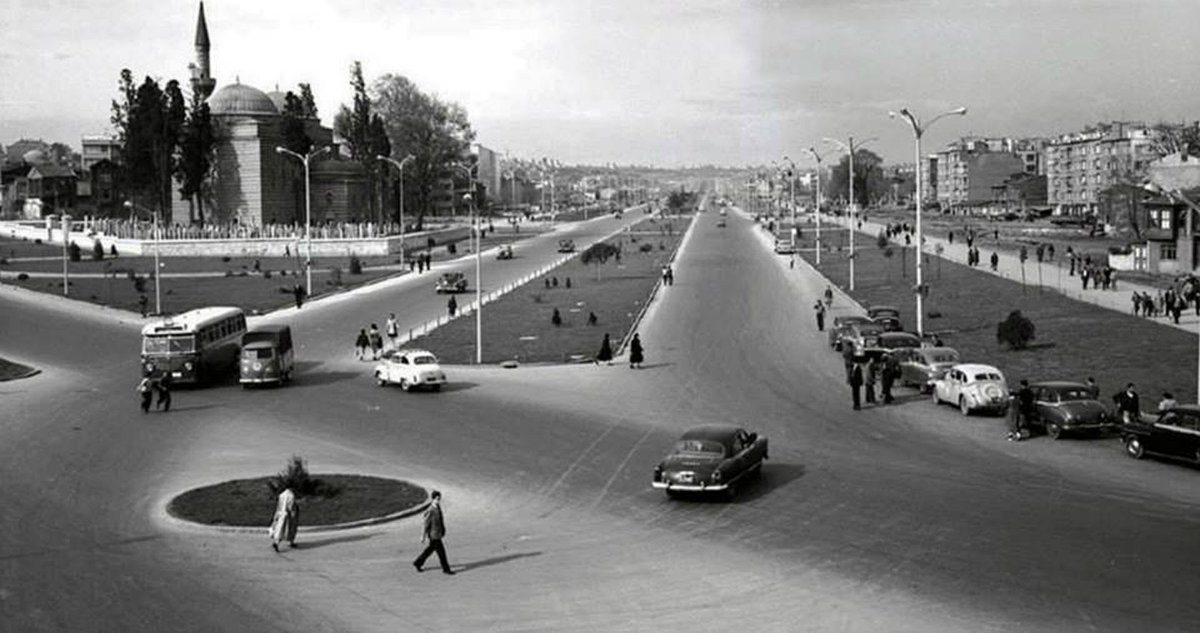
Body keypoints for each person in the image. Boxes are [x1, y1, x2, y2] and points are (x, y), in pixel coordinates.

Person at [412, 490, 453, 574]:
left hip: (438, 533)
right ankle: (446, 569)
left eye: (439, 499)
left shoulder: (438, 507)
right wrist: (423, 536)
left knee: (429, 550)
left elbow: (441, 520)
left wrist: (443, 530)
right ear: (433, 499)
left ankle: (418, 563)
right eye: (437, 499)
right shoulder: (430, 510)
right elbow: (425, 524)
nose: (438, 500)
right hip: (434, 535)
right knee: (442, 553)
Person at [268, 488, 299, 552]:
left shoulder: (281, 495)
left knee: (279, 529)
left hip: (281, 514)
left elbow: (279, 506)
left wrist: (276, 514)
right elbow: (291, 507)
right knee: (290, 529)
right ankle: (290, 542)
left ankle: (276, 542)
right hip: (288, 516)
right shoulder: (291, 496)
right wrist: (294, 514)